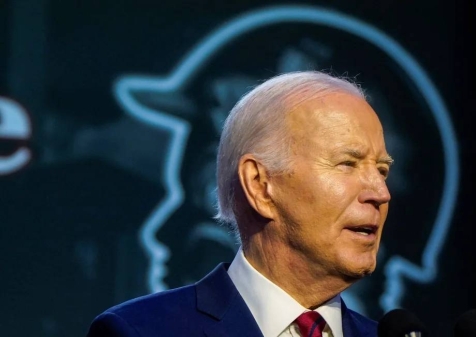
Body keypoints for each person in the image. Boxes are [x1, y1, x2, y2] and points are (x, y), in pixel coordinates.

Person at [87, 71, 393, 337]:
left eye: (382, 171)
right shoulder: (140, 332)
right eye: (347, 164)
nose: (381, 193)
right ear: (260, 186)